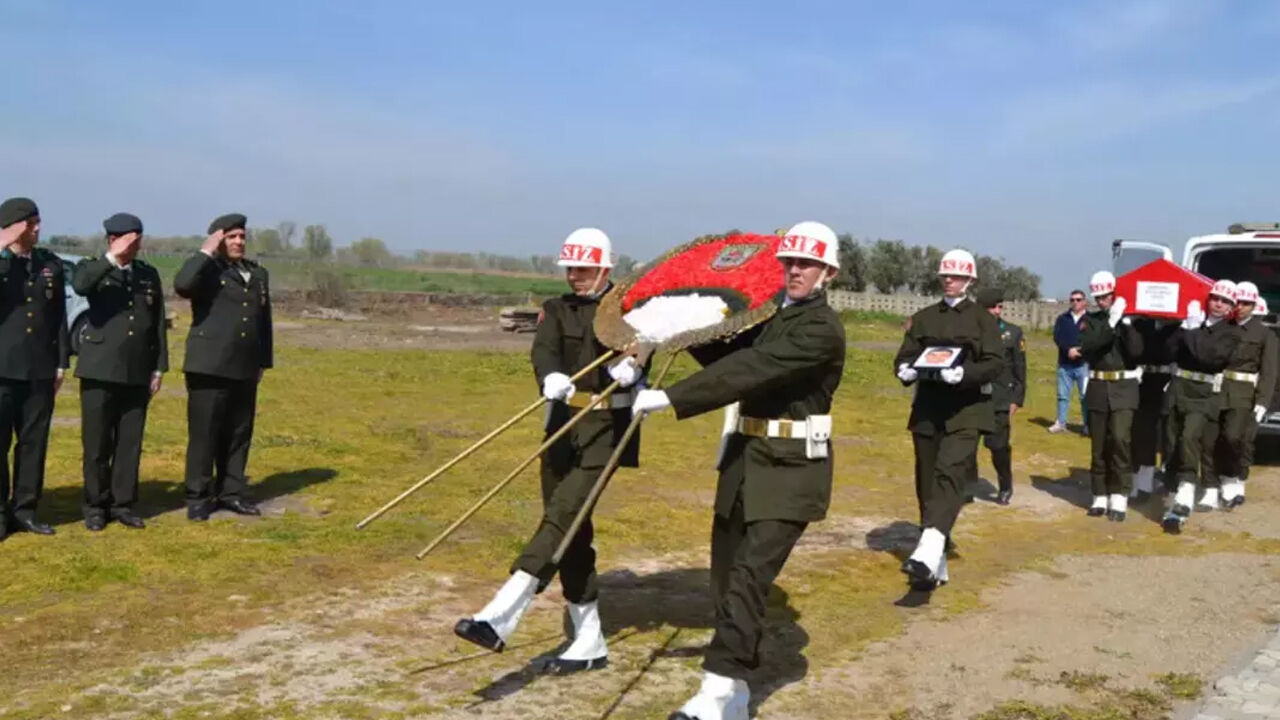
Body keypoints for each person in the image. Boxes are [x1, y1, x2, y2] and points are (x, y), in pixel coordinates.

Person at [628, 221, 845, 720]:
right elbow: (728, 349)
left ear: (827, 272)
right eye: (788, 261)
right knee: (725, 581)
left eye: (806, 263)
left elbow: (754, 368)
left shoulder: (820, 329)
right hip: (744, 462)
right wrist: (666, 333)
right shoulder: (770, 318)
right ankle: (739, 697)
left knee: (749, 578)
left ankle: (715, 692)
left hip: (791, 472)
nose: (794, 270)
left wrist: (672, 396)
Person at [454, 228, 645, 675]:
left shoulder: (627, 309)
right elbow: (544, 352)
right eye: (570, 268)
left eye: (583, 268)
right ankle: (590, 640)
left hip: (608, 428)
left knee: (562, 515)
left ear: (605, 268)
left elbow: (645, 348)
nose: (575, 275)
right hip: (561, 426)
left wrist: (635, 367)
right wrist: (549, 378)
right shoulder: (555, 309)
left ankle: (500, 616)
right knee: (570, 531)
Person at [894, 249, 1002, 589]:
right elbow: (907, 354)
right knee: (927, 479)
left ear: (970, 280)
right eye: (945, 275)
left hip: (967, 410)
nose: (949, 280)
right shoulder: (924, 317)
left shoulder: (983, 320)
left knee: (950, 472)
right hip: (928, 409)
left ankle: (927, 548)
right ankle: (934, 560)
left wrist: (966, 374)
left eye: (955, 276)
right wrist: (904, 369)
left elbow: (995, 362)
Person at [173, 213, 273, 521]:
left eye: (242, 236)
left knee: (239, 433)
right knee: (205, 434)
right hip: (209, 365)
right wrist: (206, 250)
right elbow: (182, 284)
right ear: (219, 239)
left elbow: (263, 320)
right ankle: (199, 496)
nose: (239, 242)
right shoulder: (207, 270)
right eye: (232, 237)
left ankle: (231, 492)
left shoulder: (257, 274)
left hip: (244, 367)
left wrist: (263, 361)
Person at [72, 213, 169, 530]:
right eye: (129, 239)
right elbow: (81, 285)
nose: (136, 245)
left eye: (138, 239)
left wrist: (159, 367)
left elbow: (157, 323)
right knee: (97, 442)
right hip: (100, 369)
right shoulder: (94, 268)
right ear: (113, 239)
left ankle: (123, 503)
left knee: (130, 442)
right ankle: (95, 505)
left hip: (137, 370)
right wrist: (113, 258)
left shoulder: (147, 274)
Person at [0, 197, 68, 537]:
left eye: (38, 221)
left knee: (33, 444)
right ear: (14, 226)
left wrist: (61, 362)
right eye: (30, 223)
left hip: (39, 371)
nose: (38, 228)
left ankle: (25, 510)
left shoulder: (48, 263)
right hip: (2, 370)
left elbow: (58, 318)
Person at [1161, 281, 1242, 534]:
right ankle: (1176, 501)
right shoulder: (1192, 323)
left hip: (1203, 394)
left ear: (1231, 308)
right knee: (1172, 443)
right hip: (1178, 387)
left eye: (1225, 301)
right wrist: (1182, 327)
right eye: (1215, 298)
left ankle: (1186, 492)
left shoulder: (1231, 333)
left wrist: (1192, 330)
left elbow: (1207, 355)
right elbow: (1168, 352)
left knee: (1190, 437)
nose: (1218, 303)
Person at [1074, 271, 1142, 520]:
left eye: (1106, 296)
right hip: (1099, 387)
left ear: (1115, 294)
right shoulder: (1092, 321)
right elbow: (1090, 346)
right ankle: (1099, 494)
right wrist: (1111, 323)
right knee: (1099, 445)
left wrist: (1125, 323)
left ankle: (1120, 495)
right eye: (1099, 297)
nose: (1102, 301)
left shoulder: (1130, 321)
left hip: (1124, 389)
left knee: (1121, 441)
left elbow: (1136, 352)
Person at [1212, 281, 1277, 509]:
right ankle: (1219, 481)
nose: (1241, 307)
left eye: (1246, 303)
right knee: (1215, 437)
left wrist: (1262, 401)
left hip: (1244, 393)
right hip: (1218, 388)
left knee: (1235, 438)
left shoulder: (1264, 334)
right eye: (1238, 302)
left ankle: (1234, 479)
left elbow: (1269, 372)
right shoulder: (1224, 326)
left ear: (1253, 305)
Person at [970, 287, 1024, 505]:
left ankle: (1005, 485)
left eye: (999, 306)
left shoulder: (1012, 333)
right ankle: (966, 487)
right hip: (972, 397)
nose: (996, 311)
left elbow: (1020, 369)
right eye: (991, 307)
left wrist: (1016, 399)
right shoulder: (970, 331)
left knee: (998, 446)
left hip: (1000, 397)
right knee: (967, 446)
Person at [1128, 316, 1179, 501]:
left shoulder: (1178, 325)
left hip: (1170, 382)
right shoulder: (1142, 323)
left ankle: (1169, 479)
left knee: (1168, 434)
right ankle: (1144, 484)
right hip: (1145, 381)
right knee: (1143, 433)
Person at [1051, 290, 1090, 434]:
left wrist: (1080, 351)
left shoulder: (1090, 319)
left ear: (1084, 301)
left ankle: (1087, 425)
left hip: (1083, 364)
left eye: (1078, 299)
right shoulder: (1062, 318)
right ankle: (1061, 423)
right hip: (1064, 364)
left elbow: (1093, 339)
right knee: (1062, 396)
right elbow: (1057, 337)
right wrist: (1068, 350)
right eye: (1072, 300)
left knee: (1085, 396)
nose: (1075, 302)